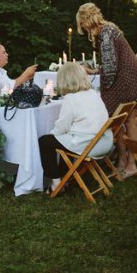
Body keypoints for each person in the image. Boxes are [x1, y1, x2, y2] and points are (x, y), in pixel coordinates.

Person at [76, 3, 137, 178]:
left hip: (126, 80)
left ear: (87, 20)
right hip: (128, 77)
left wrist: (103, 87)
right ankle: (122, 160)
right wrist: (96, 72)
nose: (84, 28)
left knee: (128, 121)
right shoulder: (108, 30)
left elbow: (110, 69)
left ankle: (131, 164)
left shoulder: (105, 33)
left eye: (82, 23)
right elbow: (110, 64)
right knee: (119, 122)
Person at [39, 62, 113, 193]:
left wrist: (52, 134)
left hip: (90, 145)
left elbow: (62, 126)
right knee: (63, 140)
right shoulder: (93, 93)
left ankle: (56, 184)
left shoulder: (70, 99)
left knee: (45, 141)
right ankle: (65, 179)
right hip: (105, 141)